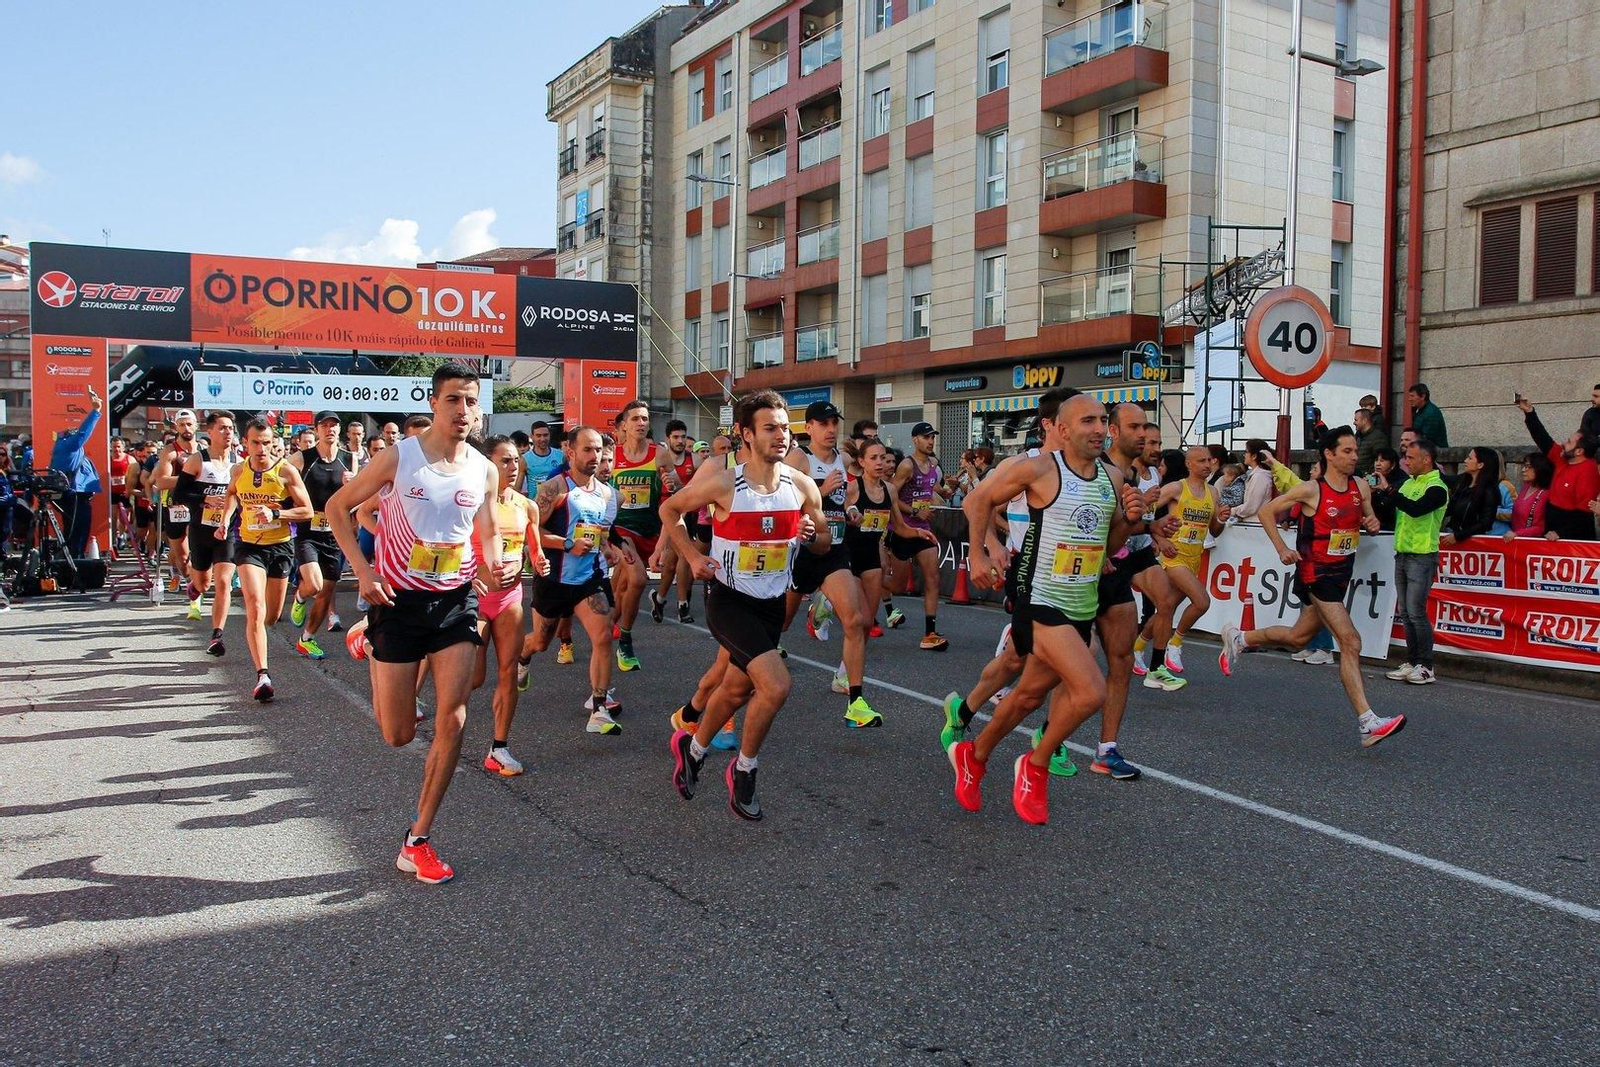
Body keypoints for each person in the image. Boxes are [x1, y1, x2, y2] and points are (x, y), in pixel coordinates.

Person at [326, 364, 505, 885]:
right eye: (453, 400)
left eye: (471, 402)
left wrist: (493, 561)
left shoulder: (482, 469)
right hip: (397, 601)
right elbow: (338, 508)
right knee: (398, 734)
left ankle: (418, 839)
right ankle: (369, 640)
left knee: (453, 717)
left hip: (454, 602)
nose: (463, 411)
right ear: (433, 403)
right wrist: (361, 572)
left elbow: (487, 529)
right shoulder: (398, 458)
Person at [951, 393, 1146, 823]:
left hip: (1081, 604)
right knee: (1091, 691)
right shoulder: (1038, 468)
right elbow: (976, 500)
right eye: (1086, 421)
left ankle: (974, 755)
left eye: (1102, 421)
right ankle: (1034, 766)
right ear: (1060, 429)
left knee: (1027, 696)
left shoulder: (1113, 479)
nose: (1098, 429)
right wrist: (980, 552)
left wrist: (1131, 521)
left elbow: (1107, 546)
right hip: (1038, 599)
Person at [665, 390, 832, 821]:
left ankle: (694, 748)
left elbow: (826, 542)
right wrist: (692, 556)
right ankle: (744, 770)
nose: (782, 435)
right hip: (729, 600)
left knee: (737, 689)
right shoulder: (726, 482)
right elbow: (671, 510)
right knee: (775, 686)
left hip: (772, 602)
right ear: (745, 434)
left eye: (785, 427)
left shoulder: (802, 486)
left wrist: (813, 535)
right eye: (770, 428)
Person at [1219, 428, 1406, 746]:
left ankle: (1240, 637)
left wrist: (1371, 522)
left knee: (1298, 637)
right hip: (1315, 574)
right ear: (1329, 455)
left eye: (1354, 450)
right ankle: (1367, 722)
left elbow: (1369, 518)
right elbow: (1266, 511)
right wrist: (1281, 548)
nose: (1353, 456)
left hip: (1340, 573)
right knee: (1351, 641)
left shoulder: (1361, 486)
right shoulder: (1310, 490)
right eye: (1346, 451)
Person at [520, 426, 625, 736]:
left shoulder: (606, 493)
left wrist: (607, 549)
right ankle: (523, 657)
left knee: (603, 637)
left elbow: (599, 531)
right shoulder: (554, 489)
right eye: (588, 450)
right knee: (541, 641)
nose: (595, 457)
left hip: (588, 579)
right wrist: (566, 544)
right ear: (571, 453)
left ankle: (599, 708)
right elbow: (531, 533)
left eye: (599, 451)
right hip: (553, 579)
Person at [783, 400, 879, 727]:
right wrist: (821, 490)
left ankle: (855, 699)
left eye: (834, 423)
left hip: (834, 550)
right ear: (808, 427)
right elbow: (783, 503)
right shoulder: (799, 459)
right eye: (823, 424)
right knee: (779, 624)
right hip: (802, 552)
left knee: (856, 620)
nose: (831, 429)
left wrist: (850, 512)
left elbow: (845, 499)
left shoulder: (844, 458)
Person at [216, 417, 315, 701]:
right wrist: (225, 519)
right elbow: (232, 493)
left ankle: (293, 602)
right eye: (256, 443)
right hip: (249, 546)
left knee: (270, 616)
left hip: (281, 547)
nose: (261, 449)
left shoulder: (286, 471)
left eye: (267, 443)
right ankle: (263, 675)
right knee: (255, 607)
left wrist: (275, 513)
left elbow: (307, 511)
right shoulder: (238, 470)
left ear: (274, 443)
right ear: (245, 443)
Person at [470, 435, 545, 773]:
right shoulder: (470, 501)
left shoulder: (527, 506)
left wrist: (539, 562)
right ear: (488, 464)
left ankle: (499, 747)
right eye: (505, 461)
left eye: (516, 460)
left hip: (509, 598)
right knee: (471, 677)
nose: (513, 467)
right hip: (474, 597)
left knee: (508, 674)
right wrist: (469, 574)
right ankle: (445, 734)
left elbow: (535, 550)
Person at [1146, 446, 1230, 674]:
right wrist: (1158, 538)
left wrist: (1221, 520)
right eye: (1201, 460)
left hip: (1194, 557)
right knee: (1202, 602)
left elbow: (1214, 530)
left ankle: (1138, 646)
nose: (1207, 465)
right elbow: (1146, 513)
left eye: (1209, 461)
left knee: (1166, 608)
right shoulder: (1176, 488)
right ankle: (1175, 643)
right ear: (1189, 464)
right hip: (1173, 556)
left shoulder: (1213, 492)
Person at [285, 411, 355, 660]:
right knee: (313, 585)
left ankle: (307, 639)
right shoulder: (302, 458)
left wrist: (353, 485)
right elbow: (282, 484)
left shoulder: (349, 458)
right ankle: (301, 595)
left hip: (334, 532)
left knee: (326, 593)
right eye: (325, 425)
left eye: (334, 425)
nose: (330, 430)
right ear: (316, 430)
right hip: (307, 530)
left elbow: (355, 501)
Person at [173, 411, 239, 652]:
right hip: (201, 532)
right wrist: (205, 499)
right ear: (209, 432)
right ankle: (195, 587)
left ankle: (216, 635)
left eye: (230, 428)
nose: (227, 432)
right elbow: (178, 494)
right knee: (203, 583)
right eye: (222, 428)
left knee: (223, 582)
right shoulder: (197, 460)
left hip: (227, 531)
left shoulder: (238, 463)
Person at [608, 400, 668, 671]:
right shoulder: (612, 457)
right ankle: (626, 642)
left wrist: (673, 485)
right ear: (623, 426)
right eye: (635, 419)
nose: (641, 423)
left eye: (645, 419)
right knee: (638, 578)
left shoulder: (660, 454)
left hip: (651, 530)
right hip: (622, 530)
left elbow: (670, 500)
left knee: (622, 586)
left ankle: (607, 623)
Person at [1385, 436, 1449, 685]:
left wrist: (1392, 492)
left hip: (1422, 556)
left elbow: (1416, 508)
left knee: (1417, 612)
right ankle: (1412, 661)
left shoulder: (1437, 487)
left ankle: (1426, 665)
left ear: (1427, 459)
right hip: (1402, 553)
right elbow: (1391, 507)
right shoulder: (1408, 483)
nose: (1406, 462)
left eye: (1411, 458)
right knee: (1406, 612)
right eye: (1405, 457)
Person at [887, 422, 956, 650]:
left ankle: (930, 631)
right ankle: (866, 583)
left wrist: (943, 490)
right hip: (902, 529)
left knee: (933, 577)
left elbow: (930, 484)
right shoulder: (907, 466)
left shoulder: (933, 463)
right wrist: (915, 510)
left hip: (923, 529)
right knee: (897, 587)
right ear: (915, 439)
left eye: (932, 437)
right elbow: (890, 496)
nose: (930, 441)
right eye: (926, 437)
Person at [1516, 396, 1600, 540]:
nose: (1563, 443)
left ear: (1579, 452)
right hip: (1552, 521)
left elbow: (1584, 511)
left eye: (1568, 442)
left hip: (1573, 531)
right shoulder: (1563, 458)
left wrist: (1562, 533)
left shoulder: (1588, 470)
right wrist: (1530, 413)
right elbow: (1544, 440)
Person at [649, 418, 700, 625]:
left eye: (682, 436)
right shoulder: (660, 460)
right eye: (675, 437)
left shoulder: (695, 460)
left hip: (689, 514)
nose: (680, 441)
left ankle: (659, 598)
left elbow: (700, 488)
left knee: (671, 563)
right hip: (666, 515)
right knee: (683, 556)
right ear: (667, 439)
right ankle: (682, 605)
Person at [49, 387, 103, 558]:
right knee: (77, 531)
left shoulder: (70, 449)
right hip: (74, 496)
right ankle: (74, 564)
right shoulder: (67, 446)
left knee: (77, 530)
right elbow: (82, 434)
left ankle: (73, 560)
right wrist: (96, 410)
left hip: (78, 495)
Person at [153, 410, 200, 591]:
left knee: (200, 546)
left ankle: (201, 581)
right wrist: (191, 478)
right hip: (176, 506)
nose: (186, 428)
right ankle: (189, 581)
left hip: (199, 505)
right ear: (176, 427)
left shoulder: (204, 450)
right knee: (182, 557)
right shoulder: (170, 451)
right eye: (182, 425)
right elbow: (162, 481)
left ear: (196, 426)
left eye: (189, 424)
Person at [1442, 447, 1506, 545]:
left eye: (1470, 458)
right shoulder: (1463, 482)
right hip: (1450, 533)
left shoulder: (1489, 491)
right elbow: (1443, 479)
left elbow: (1486, 523)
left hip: (1471, 541)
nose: (1465, 461)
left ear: (1480, 465)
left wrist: (1459, 536)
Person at [1505, 452, 1553, 540]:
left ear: (1540, 469)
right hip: (1515, 540)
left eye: (1528, 467)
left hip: (1532, 543)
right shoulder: (1526, 486)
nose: (1523, 470)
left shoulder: (1546, 494)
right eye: (1524, 466)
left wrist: (1517, 534)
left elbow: (1541, 527)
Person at [1233, 439, 1276, 523]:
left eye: (1246, 452)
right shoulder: (1257, 475)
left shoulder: (1259, 477)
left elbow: (1251, 507)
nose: (1244, 455)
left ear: (1254, 456)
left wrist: (1232, 511)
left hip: (1255, 523)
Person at [520, 420, 562, 497]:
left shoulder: (560, 455)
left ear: (549, 435)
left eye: (545, 435)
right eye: (538, 435)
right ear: (532, 437)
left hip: (557, 504)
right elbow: (517, 488)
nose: (542, 439)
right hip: (536, 505)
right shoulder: (525, 459)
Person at [1368, 447, 1404, 531]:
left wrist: (1384, 490)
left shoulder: (1401, 480)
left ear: (1393, 464)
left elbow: (1392, 505)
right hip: (1373, 526)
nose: (1378, 464)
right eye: (1376, 460)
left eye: (1382, 460)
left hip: (1391, 527)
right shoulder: (1371, 476)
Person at [1407, 383, 1448, 448]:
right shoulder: (1419, 410)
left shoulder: (1431, 413)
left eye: (1412, 396)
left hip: (1435, 453)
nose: (1409, 399)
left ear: (1423, 396)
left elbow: (1427, 438)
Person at [1354, 408, 1385, 476]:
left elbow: (1380, 460)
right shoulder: (1357, 436)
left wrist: (1370, 477)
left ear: (1364, 420)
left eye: (1356, 420)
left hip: (1369, 478)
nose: (1354, 423)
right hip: (1356, 477)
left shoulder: (1378, 437)